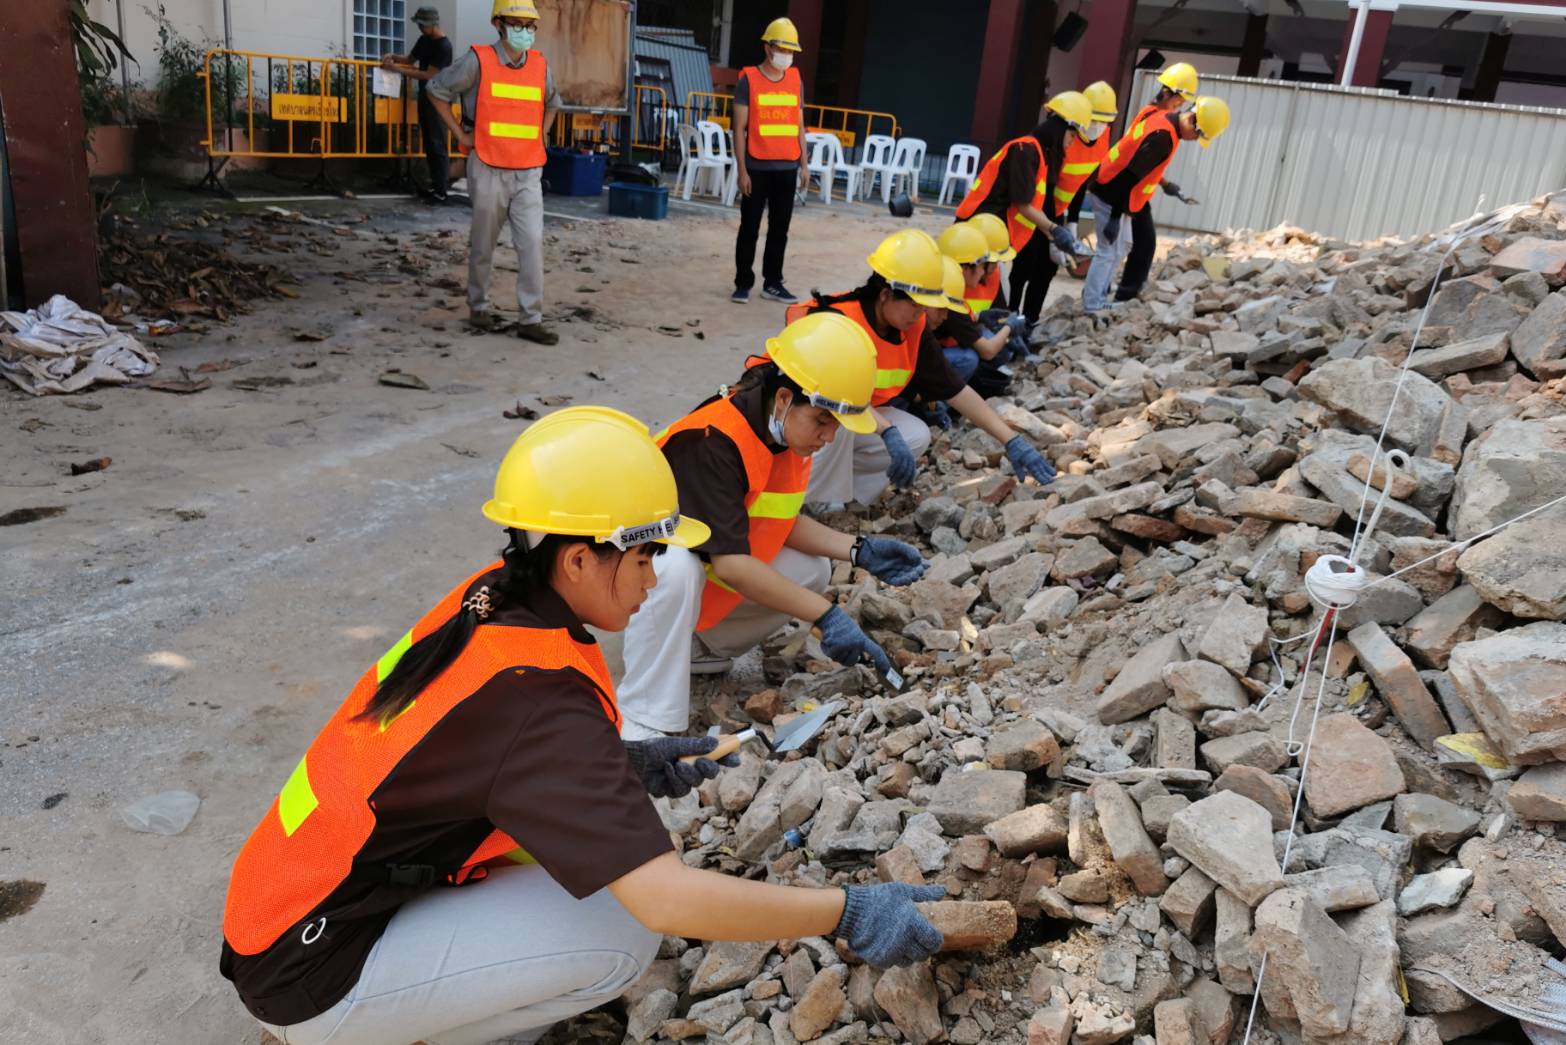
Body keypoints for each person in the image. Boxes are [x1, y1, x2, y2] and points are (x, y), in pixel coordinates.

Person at [219, 406, 947, 1045]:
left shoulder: (492, 595)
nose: (655, 579)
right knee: (621, 930)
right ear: (576, 559)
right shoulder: (537, 701)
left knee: (598, 865)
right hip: (309, 967)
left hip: (282, 902)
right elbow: (665, 898)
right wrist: (846, 911)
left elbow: (460, 751)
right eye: (645, 556)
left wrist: (625, 763)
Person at [616, 313, 927, 738]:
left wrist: (859, 550)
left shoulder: (779, 433)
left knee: (812, 568)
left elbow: (774, 519)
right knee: (674, 566)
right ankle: (642, 718)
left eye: (835, 426)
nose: (828, 437)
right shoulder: (713, 442)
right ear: (783, 398)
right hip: (628, 582)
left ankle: (699, 649)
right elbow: (730, 565)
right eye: (822, 421)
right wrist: (826, 615)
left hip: (691, 575)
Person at [784, 230, 1058, 509]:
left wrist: (1011, 440)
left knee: (915, 435)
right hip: (808, 421)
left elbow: (955, 390)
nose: (920, 313)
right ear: (885, 294)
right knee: (842, 417)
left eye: (924, 306)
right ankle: (809, 501)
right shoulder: (839, 320)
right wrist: (887, 431)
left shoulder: (912, 329)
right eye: (914, 304)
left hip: (857, 419)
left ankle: (849, 499)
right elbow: (836, 397)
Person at [427, 0, 561, 344]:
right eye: (516, 23)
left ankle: (531, 319)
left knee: (531, 244)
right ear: (498, 24)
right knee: (483, 243)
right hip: (488, 165)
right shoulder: (478, 60)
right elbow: (436, 89)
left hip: (528, 169)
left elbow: (553, 103)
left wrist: (541, 135)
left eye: (529, 25)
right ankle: (479, 307)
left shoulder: (540, 65)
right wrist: (460, 136)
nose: (524, 31)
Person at [1082, 94, 1230, 314]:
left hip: (1118, 193)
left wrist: (1166, 184)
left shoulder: (1161, 118)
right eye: (1198, 134)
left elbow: (1140, 160)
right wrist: (1114, 217)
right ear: (1192, 120)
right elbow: (1128, 176)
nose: (1195, 139)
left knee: (1123, 246)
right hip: (1110, 192)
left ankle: (1099, 297)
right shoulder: (1163, 138)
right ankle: (1092, 305)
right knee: (1108, 250)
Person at [954, 91, 1093, 306]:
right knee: (973, 296)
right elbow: (1023, 204)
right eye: (1072, 135)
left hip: (990, 234)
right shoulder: (1025, 150)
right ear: (1060, 128)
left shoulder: (1038, 154)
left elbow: (1032, 205)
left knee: (988, 298)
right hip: (978, 232)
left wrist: (1053, 235)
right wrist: (1055, 230)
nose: (1072, 142)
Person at [1008, 82, 1119, 324]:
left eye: (1104, 122)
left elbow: (1080, 180)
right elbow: (1046, 186)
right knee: (1023, 266)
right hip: (1036, 208)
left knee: (1047, 269)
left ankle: (1030, 321)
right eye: (1094, 120)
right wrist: (1053, 231)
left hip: (1056, 212)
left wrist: (1072, 224)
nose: (1098, 127)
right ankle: (1010, 318)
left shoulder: (1102, 139)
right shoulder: (1064, 137)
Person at [730, 18, 810, 305]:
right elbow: (738, 129)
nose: (786, 55)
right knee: (749, 227)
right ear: (768, 47)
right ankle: (743, 283)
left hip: (787, 167)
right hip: (757, 167)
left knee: (780, 229)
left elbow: (799, 126)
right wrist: (742, 170)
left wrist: (804, 164)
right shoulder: (748, 80)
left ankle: (773, 283)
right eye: (782, 49)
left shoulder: (795, 80)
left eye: (791, 50)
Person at [932, 223, 1020, 391]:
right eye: (982, 265)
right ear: (966, 268)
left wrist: (980, 316)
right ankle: (942, 396)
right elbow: (988, 351)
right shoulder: (951, 302)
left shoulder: (943, 282)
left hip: (941, 345)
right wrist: (1010, 327)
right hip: (927, 361)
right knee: (968, 358)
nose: (983, 272)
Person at [381, 7, 454, 203]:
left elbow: (428, 74)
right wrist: (393, 57)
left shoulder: (444, 46)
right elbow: (410, 60)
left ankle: (441, 191)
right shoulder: (424, 40)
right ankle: (436, 186)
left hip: (439, 98)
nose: (420, 28)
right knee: (430, 142)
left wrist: (396, 69)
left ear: (432, 24)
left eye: (422, 25)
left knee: (437, 142)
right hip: (425, 95)